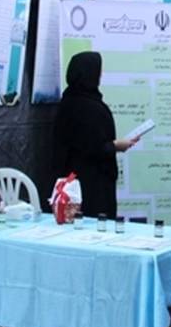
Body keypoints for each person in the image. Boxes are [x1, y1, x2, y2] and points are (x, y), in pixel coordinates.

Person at [51, 51, 138, 219]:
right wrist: (116, 146)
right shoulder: (90, 107)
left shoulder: (68, 101)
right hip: (92, 184)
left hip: (72, 182)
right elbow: (94, 148)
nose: (101, 75)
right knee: (96, 225)